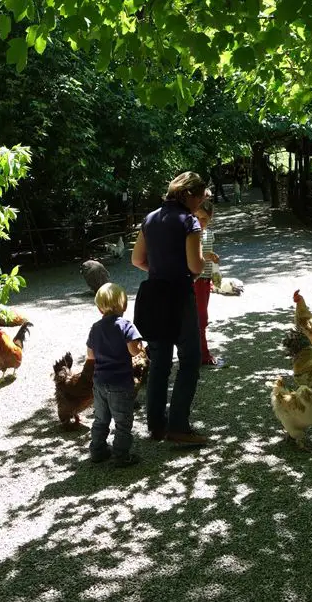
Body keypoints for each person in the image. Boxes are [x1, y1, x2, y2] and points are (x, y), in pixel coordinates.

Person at [131, 172, 210, 445]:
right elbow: (196, 267)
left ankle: (156, 426)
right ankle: (178, 426)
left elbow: (136, 259)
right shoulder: (189, 222)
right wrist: (184, 272)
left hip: (154, 295)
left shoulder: (150, 219)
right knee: (189, 361)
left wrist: (160, 269)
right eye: (199, 197)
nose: (200, 203)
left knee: (160, 363)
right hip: (179, 296)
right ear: (189, 195)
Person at [86, 283, 144, 467]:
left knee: (101, 419)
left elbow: (90, 355)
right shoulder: (126, 326)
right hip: (120, 383)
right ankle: (121, 455)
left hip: (100, 382)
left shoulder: (95, 328)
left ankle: (97, 450)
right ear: (124, 306)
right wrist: (140, 346)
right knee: (123, 421)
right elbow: (134, 351)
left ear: (99, 307)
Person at [194, 198, 222, 366]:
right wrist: (205, 257)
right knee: (199, 317)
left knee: (202, 317)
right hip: (193, 279)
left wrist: (213, 264)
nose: (200, 222)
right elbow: (192, 257)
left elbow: (207, 255)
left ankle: (202, 352)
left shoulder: (209, 234)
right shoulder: (190, 234)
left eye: (204, 218)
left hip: (204, 280)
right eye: (197, 217)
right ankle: (201, 353)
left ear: (210, 219)